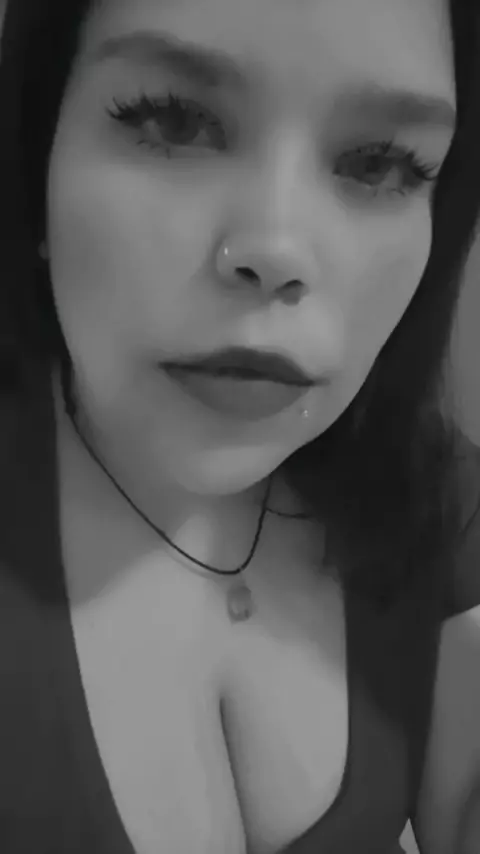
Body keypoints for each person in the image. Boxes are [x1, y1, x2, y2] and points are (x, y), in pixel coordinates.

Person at [0, 0, 480, 852]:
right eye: (173, 122)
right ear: (33, 159)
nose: (277, 248)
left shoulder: (435, 491)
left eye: (380, 163)